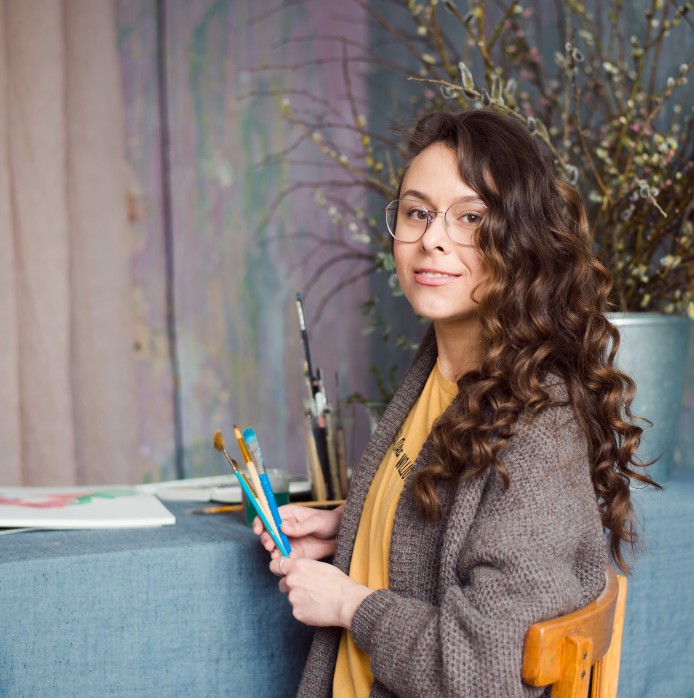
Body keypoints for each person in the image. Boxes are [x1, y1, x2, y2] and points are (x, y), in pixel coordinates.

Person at [255, 108, 655, 697]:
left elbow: (487, 671)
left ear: (521, 242)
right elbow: (451, 508)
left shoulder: (539, 427)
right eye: (417, 212)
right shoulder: (440, 367)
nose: (432, 239)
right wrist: (353, 524)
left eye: (470, 218)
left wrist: (350, 605)